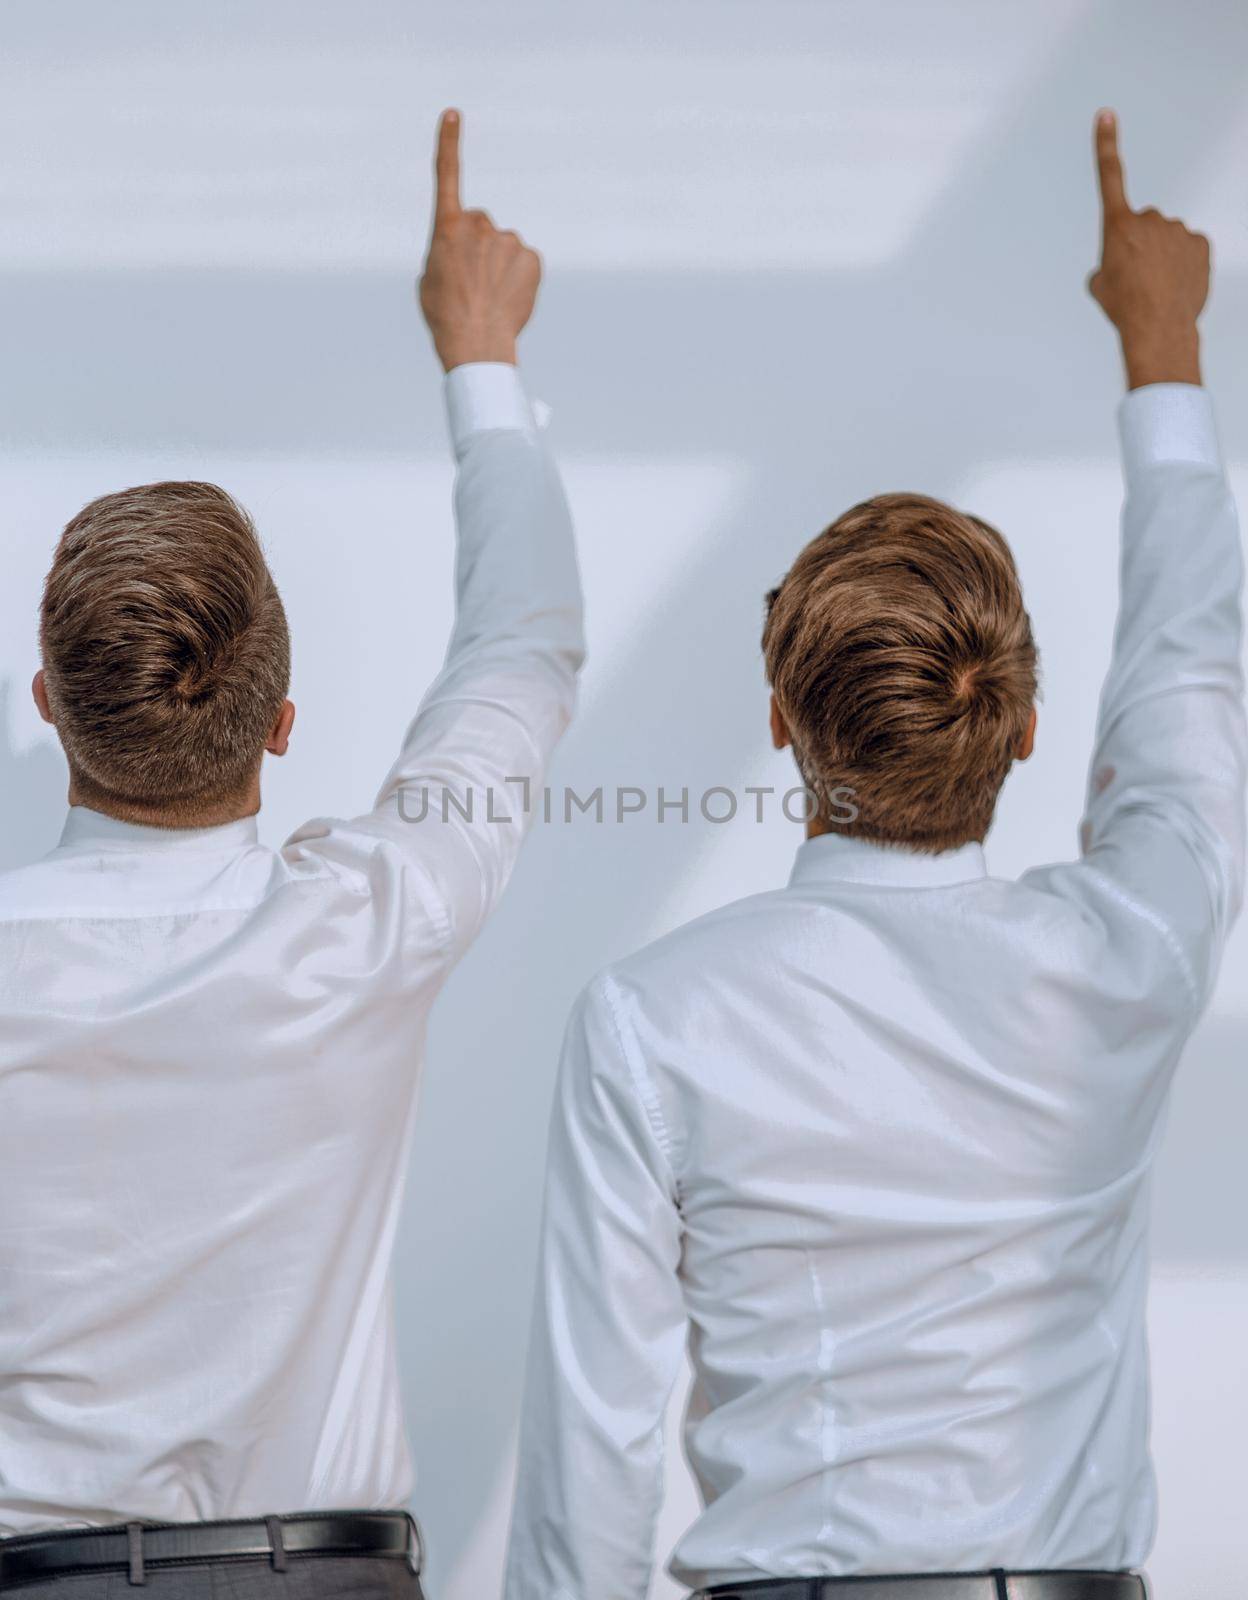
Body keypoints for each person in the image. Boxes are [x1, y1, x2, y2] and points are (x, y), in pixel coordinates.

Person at [503, 111, 1244, 1600]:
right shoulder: (1130, 957)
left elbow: (596, 1452)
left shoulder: (656, 1020)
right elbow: (1186, 700)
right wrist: (1166, 358)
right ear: (1026, 729)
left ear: (781, 721)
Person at [0, 110, 582, 1600]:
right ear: (283, 721)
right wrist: (481, 359)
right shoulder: (371, 920)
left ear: (51, 706)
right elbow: (520, 655)